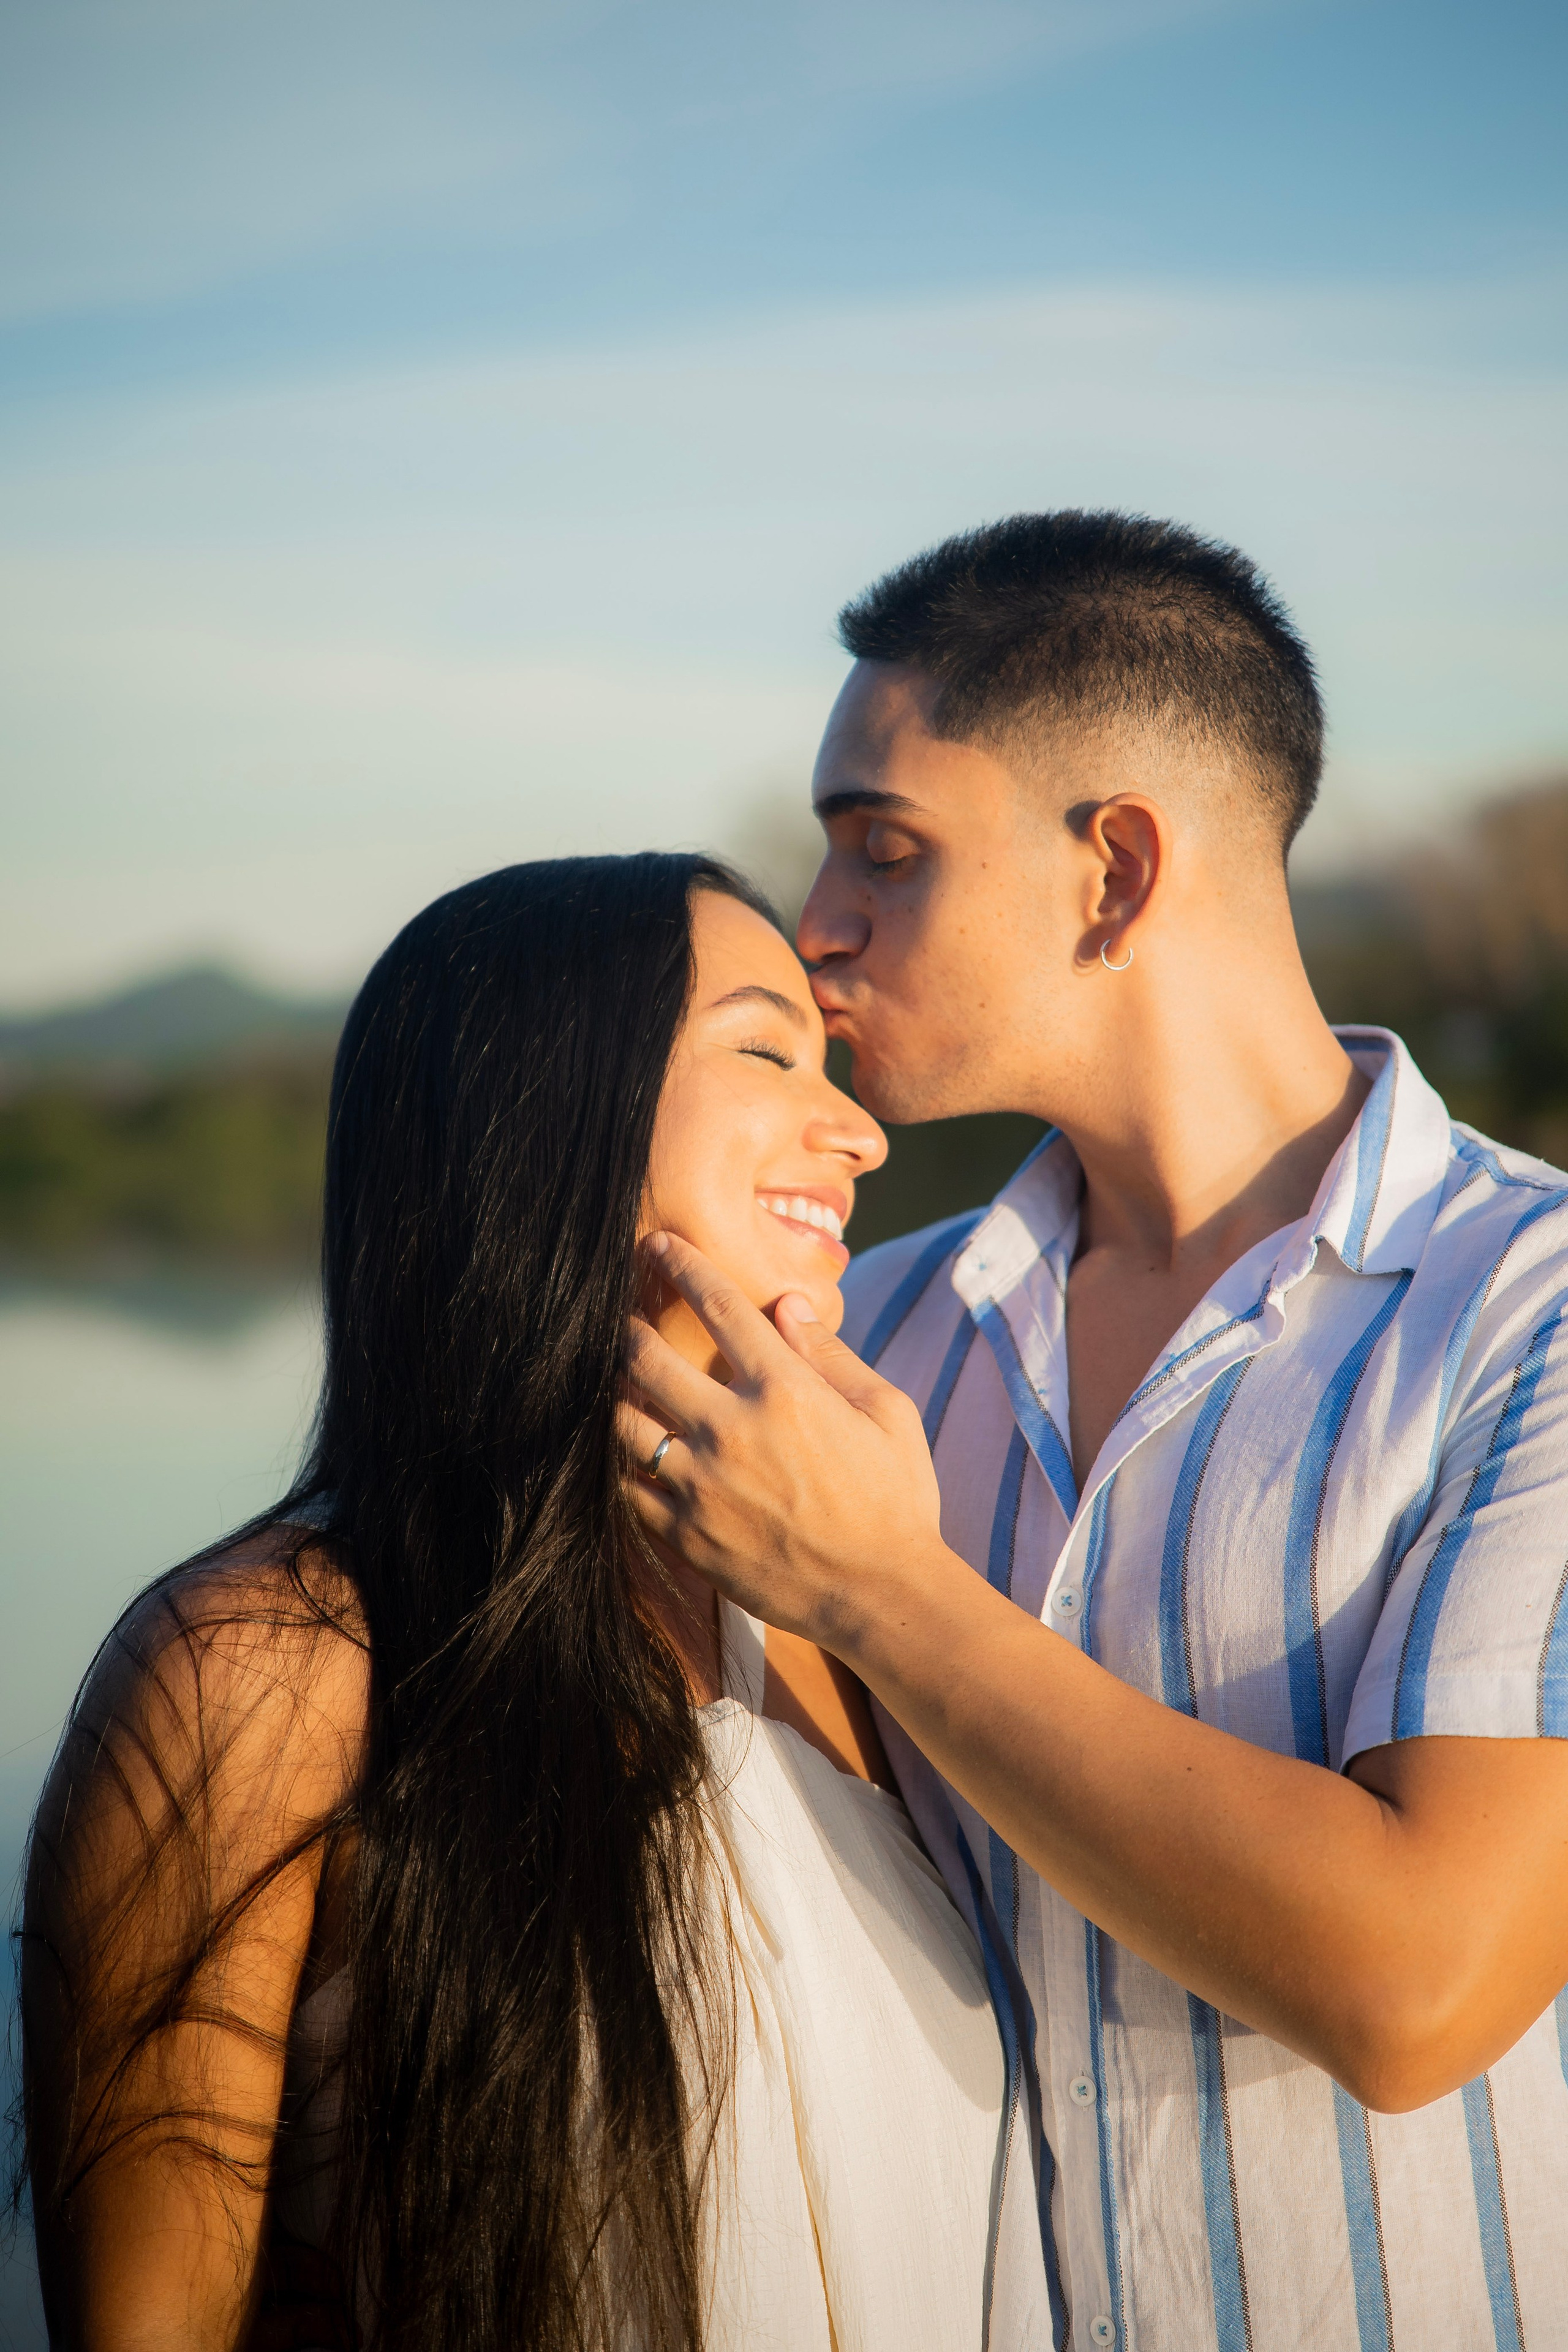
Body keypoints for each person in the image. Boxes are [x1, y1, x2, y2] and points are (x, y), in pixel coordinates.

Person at [622, 513, 1568, 2351]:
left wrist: (882, 1594)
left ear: (1117, 871)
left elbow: (1419, 1988)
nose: (818, 925)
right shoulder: (861, 1332)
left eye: (885, 851)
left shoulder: (1528, 1312)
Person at [20, 854, 1051, 2352]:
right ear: (546, 1112)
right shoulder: (258, 1671)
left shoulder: (842, 1628)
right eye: (767, 1053)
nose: (858, 1133)